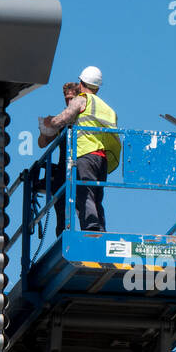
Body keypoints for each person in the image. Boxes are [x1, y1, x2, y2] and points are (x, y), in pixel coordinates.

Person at [38, 67, 120, 232]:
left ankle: (91, 229)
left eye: (71, 99)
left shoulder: (82, 101)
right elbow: (42, 142)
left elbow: (60, 119)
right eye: (66, 99)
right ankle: (97, 230)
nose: (69, 102)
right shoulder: (105, 108)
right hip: (99, 158)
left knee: (85, 194)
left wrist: (49, 123)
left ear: (81, 85)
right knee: (93, 197)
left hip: (84, 155)